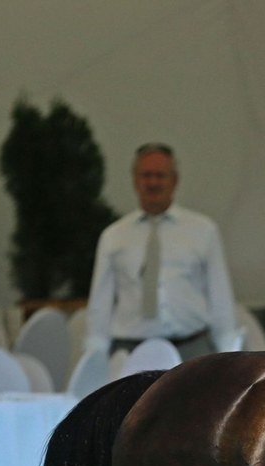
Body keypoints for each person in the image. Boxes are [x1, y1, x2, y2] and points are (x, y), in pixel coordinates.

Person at [84, 142, 240, 359]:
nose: (153, 182)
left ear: (174, 181)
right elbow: (100, 303)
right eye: (146, 175)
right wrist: (95, 355)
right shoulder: (113, 236)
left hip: (193, 349)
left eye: (160, 175)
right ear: (135, 180)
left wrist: (230, 351)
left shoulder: (204, 230)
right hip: (131, 351)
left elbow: (220, 295)